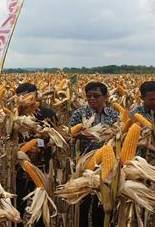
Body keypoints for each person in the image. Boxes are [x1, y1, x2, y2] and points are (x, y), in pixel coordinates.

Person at [69, 81, 119, 227]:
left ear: (106, 97)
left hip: (106, 164)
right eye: (89, 96)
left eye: (96, 96)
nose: (92, 99)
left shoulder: (113, 114)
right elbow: (69, 135)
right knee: (83, 203)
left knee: (102, 202)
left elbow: (119, 135)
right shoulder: (79, 114)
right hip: (84, 164)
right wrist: (80, 135)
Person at [14, 83, 57, 226]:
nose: (25, 100)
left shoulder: (48, 114)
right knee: (20, 200)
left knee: (41, 200)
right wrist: (22, 149)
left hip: (42, 166)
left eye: (28, 96)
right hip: (21, 168)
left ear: (36, 96)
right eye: (21, 97)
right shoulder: (15, 115)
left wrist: (41, 144)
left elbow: (56, 138)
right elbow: (9, 141)